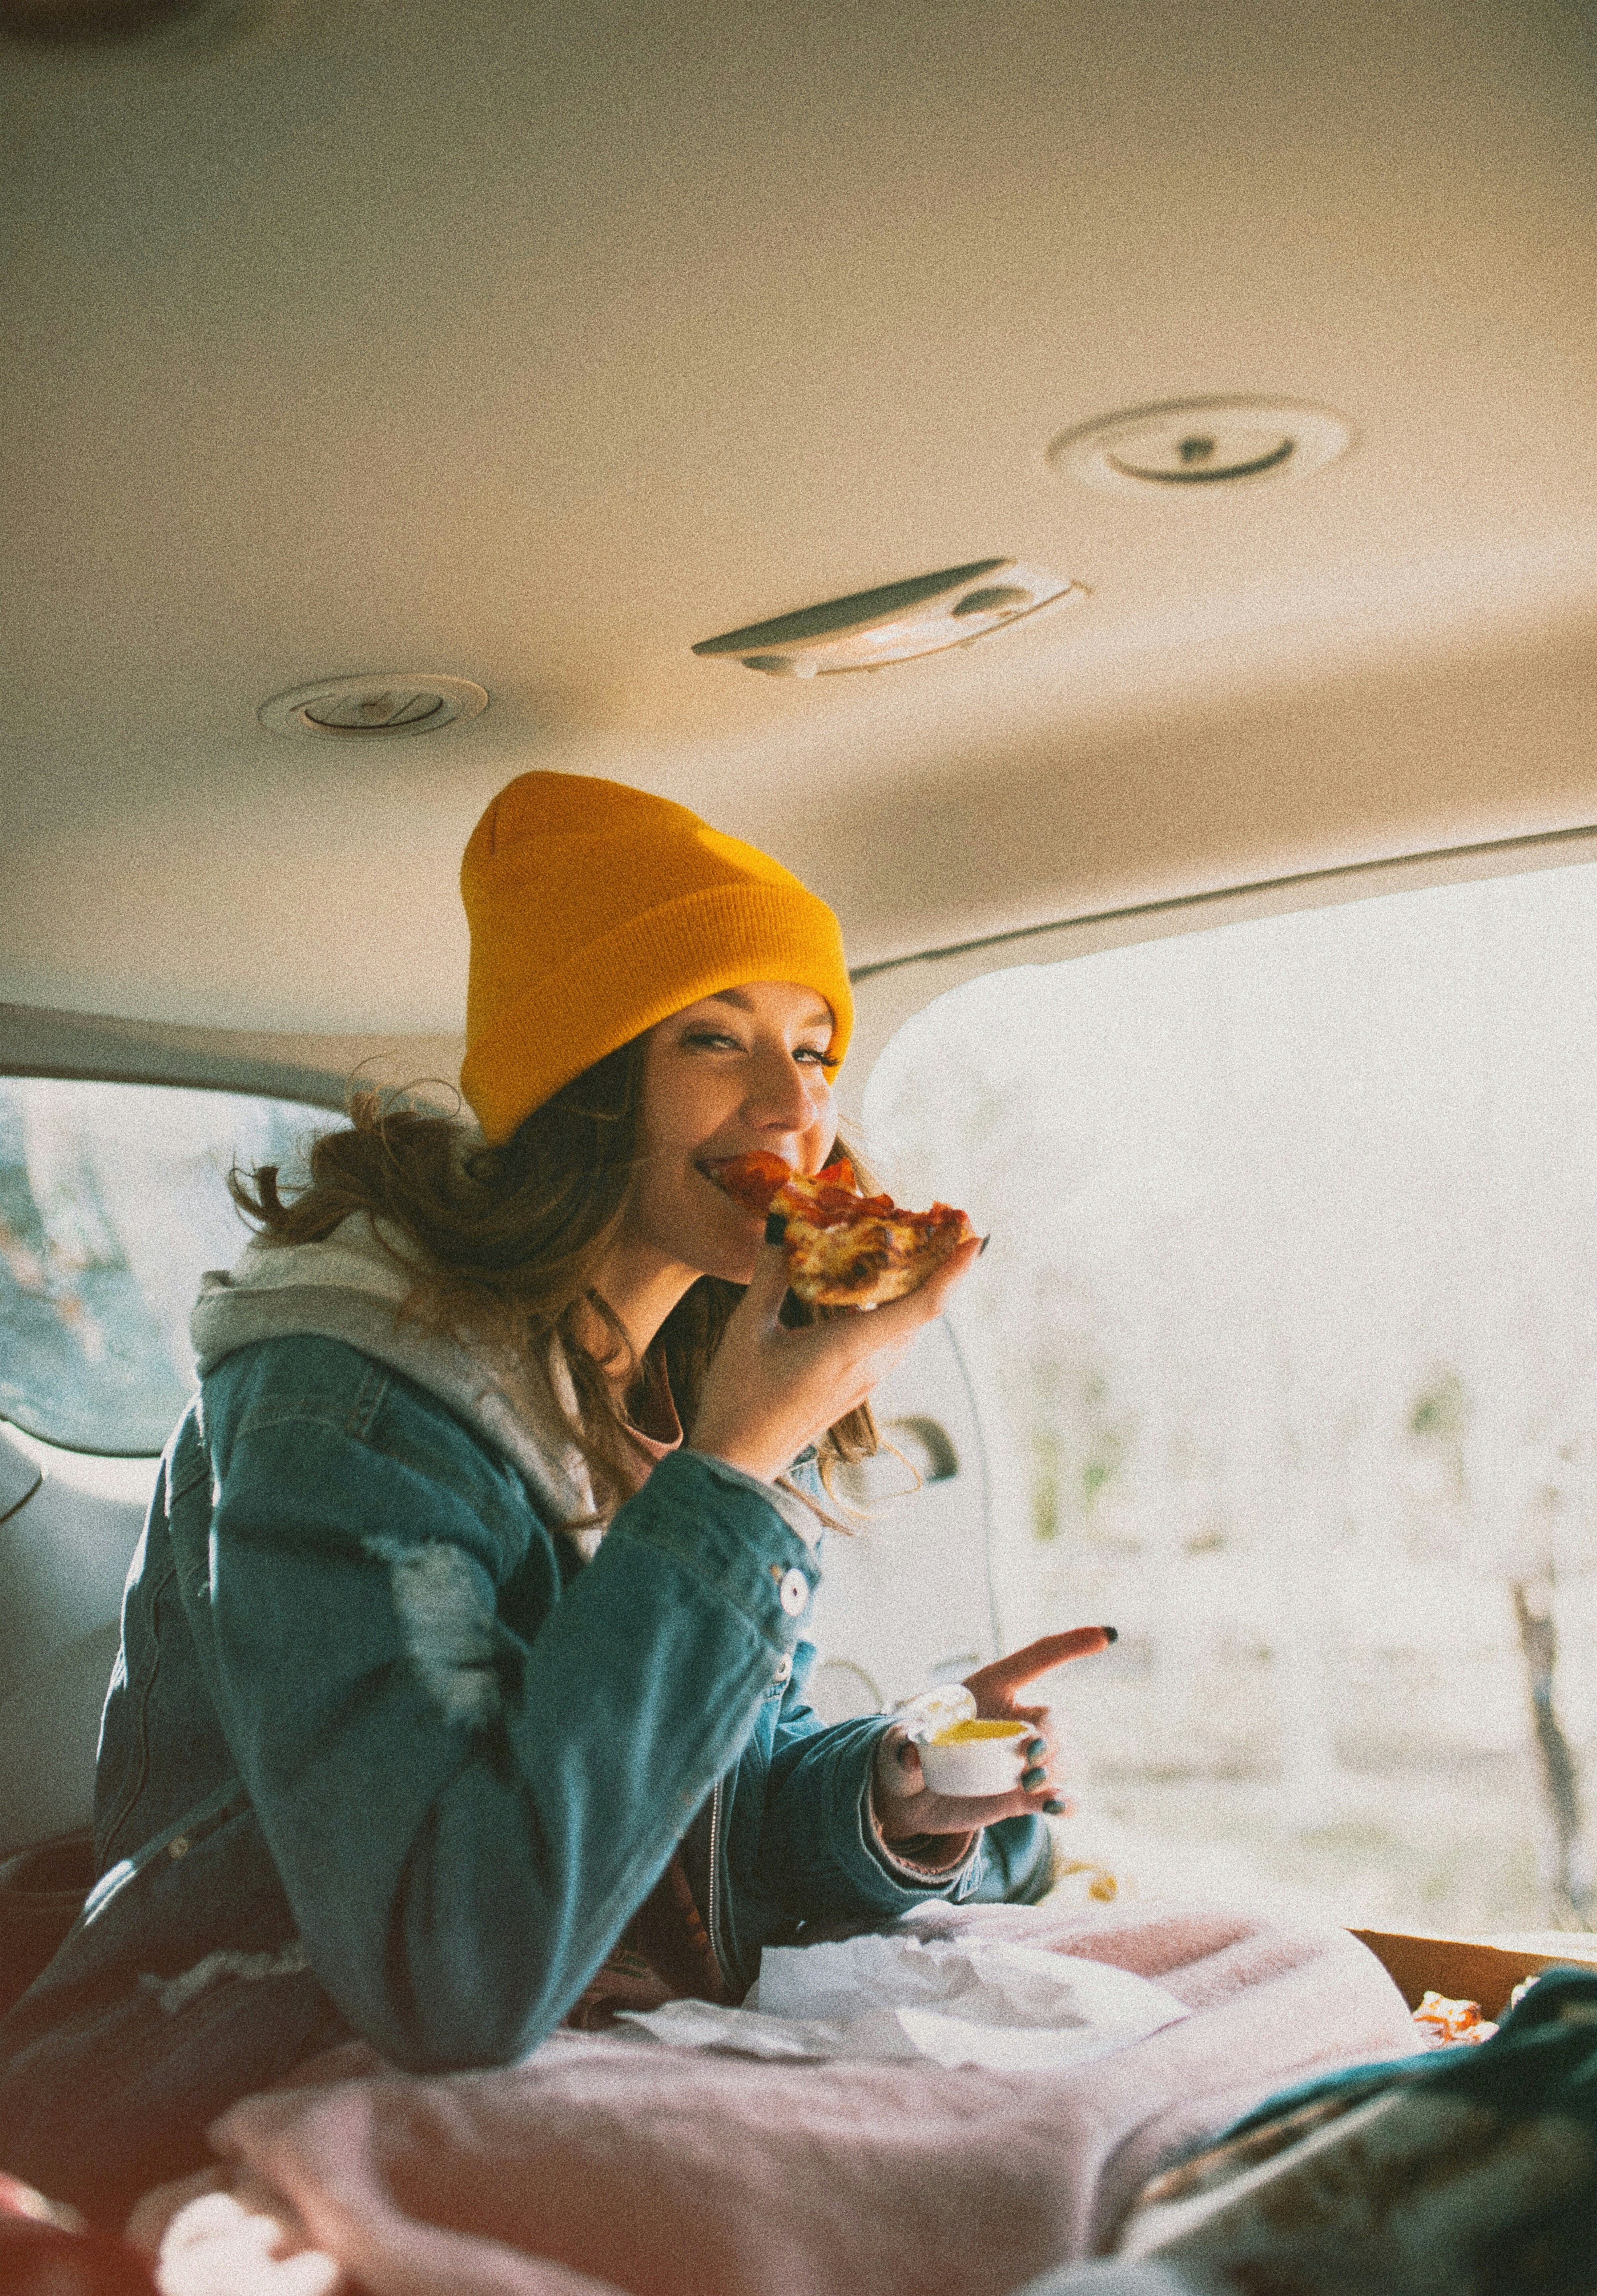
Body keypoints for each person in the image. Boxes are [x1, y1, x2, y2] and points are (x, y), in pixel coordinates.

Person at [0, 772, 1109, 2221]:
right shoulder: (343, 1408)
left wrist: (894, 1795)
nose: (796, 1107)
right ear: (583, 1086)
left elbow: (667, 1817)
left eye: (817, 1049)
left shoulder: (659, 1389)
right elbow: (452, 1965)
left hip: (567, 2038)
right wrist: (730, 1484)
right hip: (235, 2066)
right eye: (716, 1041)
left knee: (1239, 1989)